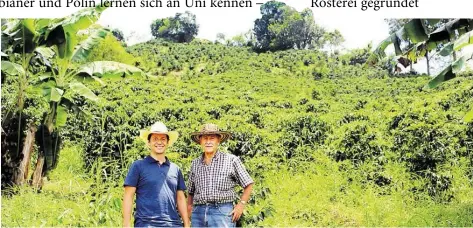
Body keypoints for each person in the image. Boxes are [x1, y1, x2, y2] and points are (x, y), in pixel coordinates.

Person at [122, 121, 190, 227]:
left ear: (168, 142)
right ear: (148, 142)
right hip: (146, 224)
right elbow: (128, 196)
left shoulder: (175, 169)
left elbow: (180, 198)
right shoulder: (138, 166)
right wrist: (126, 225)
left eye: (163, 139)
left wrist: (186, 224)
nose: (159, 142)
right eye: (155, 139)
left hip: (173, 224)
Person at [187, 123, 254, 227]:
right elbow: (191, 191)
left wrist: (241, 204)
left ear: (218, 140)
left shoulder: (231, 160)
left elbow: (248, 184)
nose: (208, 142)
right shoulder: (195, 163)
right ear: (200, 141)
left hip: (222, 211)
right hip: (198, 212)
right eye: (205, 138)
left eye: (212, 138)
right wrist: (189, 207)